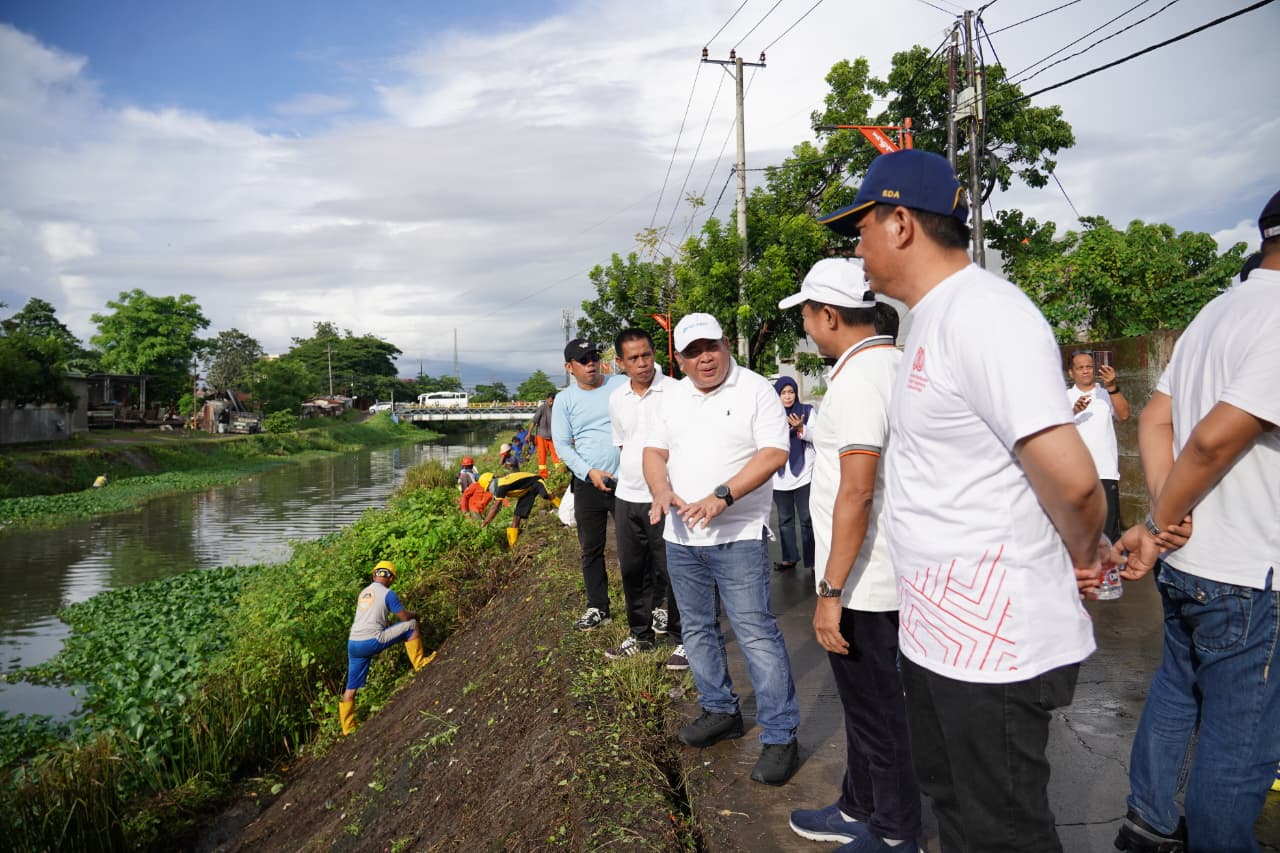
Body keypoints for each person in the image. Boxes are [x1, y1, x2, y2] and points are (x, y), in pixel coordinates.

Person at [820, 148, 1104, 850]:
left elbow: (1073, 480)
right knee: (953, 808)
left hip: (997, 647)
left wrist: (1084, 553)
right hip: (941, 638)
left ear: (901, 224)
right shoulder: (930, 321)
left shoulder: (986, 316)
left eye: (860, 229)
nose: (856, 248)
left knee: (1001, 830)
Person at [1110, 188, 1280, 853]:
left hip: (1192, 563)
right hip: (1250, 570)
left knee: (1178, 690)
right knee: (1240, 744)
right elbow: (1211, 440)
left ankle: (1148, 820)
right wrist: (1159, 520)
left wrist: (1163, 516)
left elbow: (1158, 418)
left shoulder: (1217, 311)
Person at [778, 258, 922, 851]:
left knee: (878, 713)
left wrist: (831, 591)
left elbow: (857, 490)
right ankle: (859, 806)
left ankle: (893, 833)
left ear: (829, 314)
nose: (806, 326)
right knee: (866, 706)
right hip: (882, 568)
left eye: (808, 314)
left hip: (868, 579)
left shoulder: (861, 379)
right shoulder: (890, 365)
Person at [643, 312, 801, 786]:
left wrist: (722, 496)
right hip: (681, 538)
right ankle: (719, 711)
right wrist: (659, 491)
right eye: (692, 352)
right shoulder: (670, 398)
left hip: (738, 536)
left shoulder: (755, 390)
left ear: (726, 344)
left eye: (710, 347)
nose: (704, 359)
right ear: (680, 358)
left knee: (755, 633)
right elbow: (655, 453)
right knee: (696, 629)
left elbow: (774, 453)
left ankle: (780, 736)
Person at [605, 327, 686, 670]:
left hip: (666, 497)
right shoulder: (617, 398)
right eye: (634, 358)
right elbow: (624, 443)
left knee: (675, 570)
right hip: (627, 496)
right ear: (620, 363)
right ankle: (640, 634)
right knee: (634, 569)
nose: (642, 363)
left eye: (647, 355)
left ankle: (684, 639)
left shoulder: (678, 393)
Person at [553, 338, 626, 630]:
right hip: (587, 484)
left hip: (627, 480)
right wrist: (590, 472)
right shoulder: (564, 400)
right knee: (591, 548)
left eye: (594, 357)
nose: (591, 363)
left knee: (637, 547)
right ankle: (598, 607)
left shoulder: (620, 384)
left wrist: (625, 467)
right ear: (569, 367)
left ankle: (651, 605)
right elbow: (562, 446)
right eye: (583, 360)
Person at [339, 560, 434, 735]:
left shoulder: (364, 592)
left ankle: (347, 727)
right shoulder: (388, 594)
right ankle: (420, 663)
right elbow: (404, 617)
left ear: (374, 575)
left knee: (350, 688)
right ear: (391, 578)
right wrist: (415, 615)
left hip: (353, 643)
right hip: (371, 640)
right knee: (412, 625)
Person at [1067, 350, 1130, 543]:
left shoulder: (1106, 394)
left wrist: (1112, 387)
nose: (1086, 371)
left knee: (1108, 531)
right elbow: (1054, 430)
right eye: (1080, 367)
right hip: (1074, 473)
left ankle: (1109, 571)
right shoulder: (1064, 397)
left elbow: (1124, 416)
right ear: (1071, 373)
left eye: (1089, 367)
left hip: (1105, 471)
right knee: (1077, 528)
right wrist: (1073, 411)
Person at [770, 376, 815, 572]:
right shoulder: (770, 415)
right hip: (779, 478)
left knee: (807, 519)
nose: (788, 397)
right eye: (783, 393)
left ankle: (813, 561)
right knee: (784, 520)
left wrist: (800, 428)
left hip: (804, 474)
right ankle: (789, 557)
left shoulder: (807, 411)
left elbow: (818, 436)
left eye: (791, 392)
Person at [464, 470, 559, 547]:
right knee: (517, 517)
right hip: (526, 491)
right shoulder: (499, 486)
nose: (489, 491)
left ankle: (563, 510)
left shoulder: (502, 486)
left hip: (536, 481)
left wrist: (485, 522)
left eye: (488, 489)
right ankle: (513, 546)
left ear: (490, 483)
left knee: (547, 495)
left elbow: (495, 507)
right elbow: (497, 505)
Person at [528, 393, 561, 478]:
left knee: (557, 456)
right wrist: (529, 434)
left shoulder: (557, 408)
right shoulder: (542, 408)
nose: (552, 403)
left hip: (552, 436)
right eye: (550, 401)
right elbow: (534, 421)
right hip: (541, 436)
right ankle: (543, 476)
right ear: (547, 399)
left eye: (553, 401)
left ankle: (560, 473)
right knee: (542, 456)